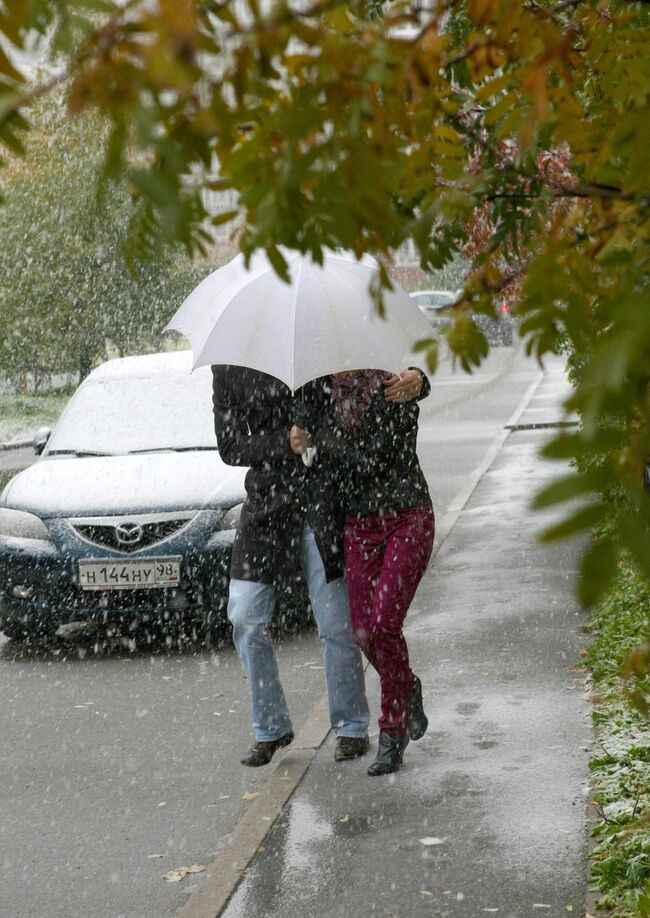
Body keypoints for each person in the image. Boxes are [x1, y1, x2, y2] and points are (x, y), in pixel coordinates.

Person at [212, 365, 425, 767]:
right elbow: (230, 445)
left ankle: (350, 726)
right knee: (245, 615)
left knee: (336, 622)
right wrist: (284, 442)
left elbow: (366, 392)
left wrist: (419, 381)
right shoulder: (230, 368)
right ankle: (271, 727)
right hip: (266, 509)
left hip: (320, 504)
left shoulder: (317, 351)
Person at [298, 368, 434, 776]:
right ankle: (407, 685)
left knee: (384, 624)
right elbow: (299, 431)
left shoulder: (396, 385)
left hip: (406, 515)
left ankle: (392, 732)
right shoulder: (320, 392)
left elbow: (376, 456)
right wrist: (301, 437)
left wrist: (421, 382)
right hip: (358, 525)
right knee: (362, 631)